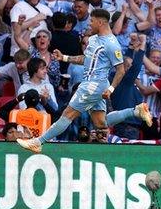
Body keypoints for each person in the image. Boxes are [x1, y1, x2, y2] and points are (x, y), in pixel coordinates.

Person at [17, 9, 152, 151]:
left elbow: (120, 70)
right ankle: (136, 111)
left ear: (100, 22)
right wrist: (64, 58)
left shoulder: (112, 44)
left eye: (92, 21)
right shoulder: (94, 39)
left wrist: (110, 89)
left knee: (67, 115)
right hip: (93, 84)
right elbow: (86, 59)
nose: (89, 24)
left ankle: (38, 142)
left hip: (93, 85)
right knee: (101, 124)